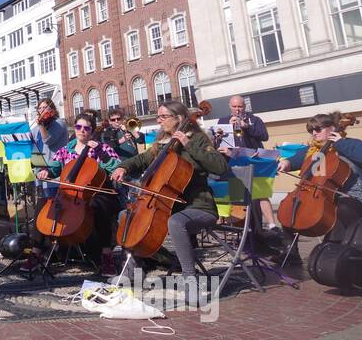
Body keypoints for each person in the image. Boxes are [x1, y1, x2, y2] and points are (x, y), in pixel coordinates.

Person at [111, 100, 228, 299]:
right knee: (126, 216)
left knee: (176, 223)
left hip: (199, 206)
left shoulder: (198, 139)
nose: (159, 121)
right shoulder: (163, 143)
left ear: (179, 118)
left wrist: (188, 144)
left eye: (163, 117)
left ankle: (190, 282)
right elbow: (141, 160)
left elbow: (220, 167)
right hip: (169, 206)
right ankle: (133, 270)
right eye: (159, 117)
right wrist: (124, 167)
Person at [277, 113, 362, 243]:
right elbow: (298, 158)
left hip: (357, 197)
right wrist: (286, 163)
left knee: (342, 208)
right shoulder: (314, 150)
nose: (314, 133)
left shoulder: (351, 144)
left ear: (333, 128)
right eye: (311, 130)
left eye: (318, 129)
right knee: (290, 209)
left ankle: (335, 248)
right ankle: (291, 253)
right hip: (324, 197)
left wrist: (340, 144)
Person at [51, 114, 122, 261]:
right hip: (71, 197)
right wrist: (45, 171)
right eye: (78, 127)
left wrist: (100, 153)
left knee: (99, 206)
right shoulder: (65, 151)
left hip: (97, 195)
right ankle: (38, 252)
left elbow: (117, 168)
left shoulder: (103, 148)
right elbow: (53, 168)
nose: (82, 130)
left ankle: (106, 254)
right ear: (74, 128)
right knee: (45, 205)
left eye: (86, 128)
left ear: (92, 131)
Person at [214, 94, 281, 234]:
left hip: (254, 159)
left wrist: (247, 127)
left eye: (240, 106)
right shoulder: (223, 120)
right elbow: (217, 142)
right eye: (234, 106)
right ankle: (240, 227)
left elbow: (264, 136)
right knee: (237, 194)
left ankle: (272, 225)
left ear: (245, 106)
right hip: (234, 160)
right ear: (229, 106)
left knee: (260, 193)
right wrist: (220, 135)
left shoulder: (254, 120)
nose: (237, 109)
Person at [31, 98, 71, 199]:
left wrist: (41, 125)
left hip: (55, 172)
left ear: (52, 109)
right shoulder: (36, 128)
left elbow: (48, 140)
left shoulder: (59, 123)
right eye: (39, 108)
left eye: (45, 107)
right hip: (40, 171)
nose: (42, 110)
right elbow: (30, 142)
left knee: (55, 206)